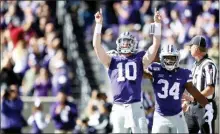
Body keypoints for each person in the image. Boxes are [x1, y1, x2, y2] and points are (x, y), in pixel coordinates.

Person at [93, 8, 161, 133]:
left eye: (127, 42)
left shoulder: (139, 58)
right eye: (123, 42)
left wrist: (156, 24)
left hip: (135, 105)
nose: (125, 44)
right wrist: (98, 25)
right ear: (119, 43)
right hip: (118, 106)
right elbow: (97, 47)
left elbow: (155, 45)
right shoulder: (112, 59)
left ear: (133, 44)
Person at [143, 44, 214, 133]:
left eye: (172, 58)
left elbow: (194, 92)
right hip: (160, 116)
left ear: (177, 58)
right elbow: (141, 74)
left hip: (177, 115)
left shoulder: (184, 73)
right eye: (167, 58)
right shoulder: (155, 69)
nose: (169, 60)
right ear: (162, 58)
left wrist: (207, 105)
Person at [183, 35, 218, 134]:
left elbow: (210, 89)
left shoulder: (208, 65)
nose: (189, 49)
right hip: (192, 108)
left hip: (205, 107)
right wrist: (188, 102)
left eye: (191, 46)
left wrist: (193, 98)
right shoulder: (194, 65)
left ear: (197, 48)